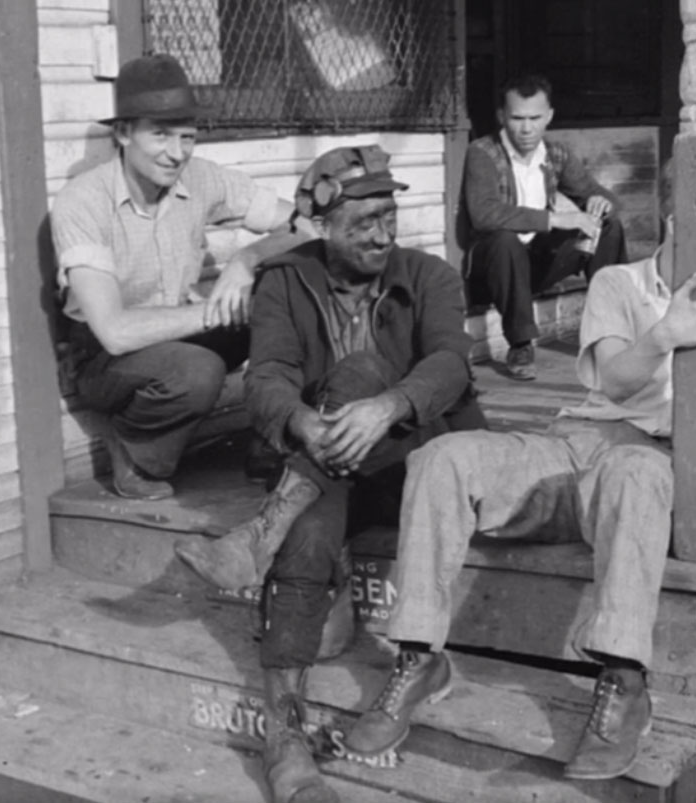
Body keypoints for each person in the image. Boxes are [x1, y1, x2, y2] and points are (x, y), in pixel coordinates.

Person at [340, 165, 696, 781]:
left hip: (652, 462)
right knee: (443, 456)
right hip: (574, 442)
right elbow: (614, 380)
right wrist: (665, 335)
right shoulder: (619, 282)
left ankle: (624, 683)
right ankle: (418, 658)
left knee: (635, 471)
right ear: (681, 218)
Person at [176, 144, 486, 803]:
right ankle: (285, 733)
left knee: (362, 375)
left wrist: (388, 405)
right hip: (330, 472)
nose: (382, 233)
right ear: (320, 226)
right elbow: (266, 380)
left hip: (421, 464)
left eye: (389, 214)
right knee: (311, 526)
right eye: (363, 221)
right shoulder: (286, 282)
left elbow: (452, 366)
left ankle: (261, 530)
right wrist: (302, 422)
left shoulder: (431, 275)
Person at [51, 54, 304, 500]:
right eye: (160, 134)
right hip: (105, 360)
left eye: (187, 137)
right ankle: (134, 453)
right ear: (123, 133)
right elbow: (114, 332)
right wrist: (215, 312)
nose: (176, 152)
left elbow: (305, 226)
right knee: (197, 370)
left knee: (280, 295)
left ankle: (273, 436)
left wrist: (248, 259)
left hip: (177, 329)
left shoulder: (200, 177)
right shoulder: (82, 201)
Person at [463, 73, 628, 381]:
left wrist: (600, 204)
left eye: (535, 118)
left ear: (549, 116)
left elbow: (602, 194)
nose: (527, 128)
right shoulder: (482, 153)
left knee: (609, 227)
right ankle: (521, 344)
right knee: (504, 239)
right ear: (502, 116)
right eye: (517, 118)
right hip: (493, 270)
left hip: (535, 265)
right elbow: (484, 214)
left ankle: (611, 330)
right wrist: (555, 219)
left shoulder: (555, 153)